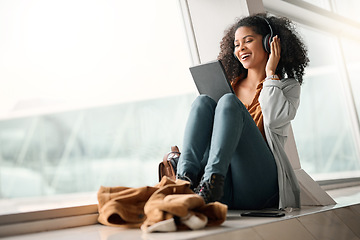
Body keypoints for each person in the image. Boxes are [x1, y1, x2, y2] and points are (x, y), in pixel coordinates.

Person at [176, 13, 309, 210]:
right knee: (203, 101)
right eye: (237, 44)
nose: (241, 48)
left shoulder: (287, 86)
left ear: (267, 43)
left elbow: (274, 120)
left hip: (260, 184)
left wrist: (271, 74)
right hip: (227, 186)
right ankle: (183, 181)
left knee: (229, 102)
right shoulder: (229, 87)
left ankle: (212, 180)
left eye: (248, 41)